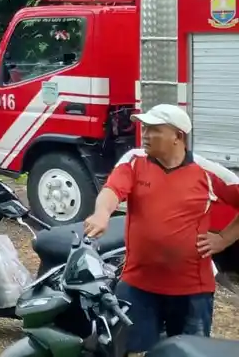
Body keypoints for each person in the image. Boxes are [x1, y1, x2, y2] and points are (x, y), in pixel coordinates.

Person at [83, 104, 239, 354]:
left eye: (153, 130)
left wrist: (224, 238)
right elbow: (112, 190)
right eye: (144, 128)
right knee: (129, 350)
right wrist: (102, 213)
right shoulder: (135, 161)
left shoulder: (206, 172)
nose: (144, 134)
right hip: (138, 286)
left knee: (187, 352)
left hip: (192, 292)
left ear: (178, 136)